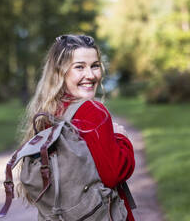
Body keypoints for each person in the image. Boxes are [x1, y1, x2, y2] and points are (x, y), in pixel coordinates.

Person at [18, 34, 135, 221]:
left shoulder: (48, 111)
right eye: (79, 67)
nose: (90, 75)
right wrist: (122, 139)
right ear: (60, 71)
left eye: (95, 66)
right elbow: (114, 174)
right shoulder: (92, 111)